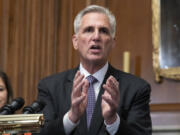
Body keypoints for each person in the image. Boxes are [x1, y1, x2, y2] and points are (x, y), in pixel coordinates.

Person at [37, 5, 152, 135]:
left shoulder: (136, 88)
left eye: (103, 31)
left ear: (113, 42)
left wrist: (112, 120)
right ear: (75, 41)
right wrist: (72, 117)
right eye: (88, 30)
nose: (96, 37)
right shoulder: (50, 87)